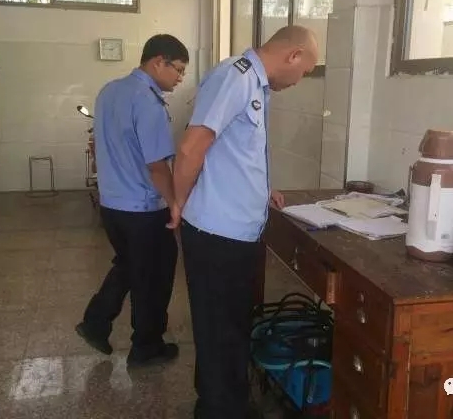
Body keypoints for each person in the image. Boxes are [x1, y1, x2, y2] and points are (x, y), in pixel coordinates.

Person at [171, 26, 319, 418]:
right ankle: (219, 409)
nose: (300, 80)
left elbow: (235, 151)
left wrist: (261, 188)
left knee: (231, 323)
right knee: (219, 327)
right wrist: (179, 203)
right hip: (217, 232)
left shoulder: (256, 83)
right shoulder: (234, 77)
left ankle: (226, 400)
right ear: (293, 56)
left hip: (236, 231)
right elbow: (191, 148)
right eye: (305, 71)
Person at [75, 34, 188, 367]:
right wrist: (175, 204)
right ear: (158, 62)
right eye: (178, 70)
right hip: (143, 209)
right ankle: (146, 347)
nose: (180, 78)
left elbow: (98, 145)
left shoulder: (109, 91)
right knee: (154, 276)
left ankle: (95, 322)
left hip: (112, 205)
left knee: (130, 264)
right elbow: (157, 166)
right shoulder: (149, 103)